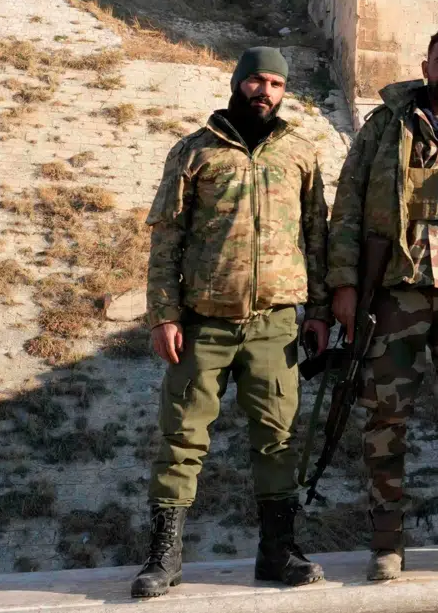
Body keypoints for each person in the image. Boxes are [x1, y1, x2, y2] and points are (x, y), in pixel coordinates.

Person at [135, 47, 329, 598]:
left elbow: (316, 234)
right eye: (256, 81)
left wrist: (316, 313)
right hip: (203, 323)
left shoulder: (300, 153)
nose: (264, 92)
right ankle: (164, 557)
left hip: (275, 324)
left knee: (278, 439)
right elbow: (166, 235)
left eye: (275, 83)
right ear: (236, 83)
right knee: (182, 438)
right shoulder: (194, 151)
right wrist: (163, 314)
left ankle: (278, 552)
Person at [327, 27, 438, 581]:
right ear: (424, 64)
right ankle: (387, 543)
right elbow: (349, 206)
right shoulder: (384, 127)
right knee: (385, 417)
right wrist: (344, 285)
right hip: (395, 290)